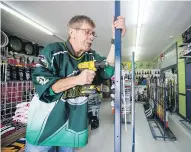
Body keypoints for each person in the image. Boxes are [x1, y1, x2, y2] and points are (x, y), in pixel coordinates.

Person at [25, 15, 126, 152]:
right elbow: (45, 89)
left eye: (93, 34)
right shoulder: (52, 51)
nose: (91, 37)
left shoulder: (90, 56)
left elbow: (107, 68)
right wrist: (77, 79)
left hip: (71, 128)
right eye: (87, 32)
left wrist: (116, 40)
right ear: (72, 32)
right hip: (43, 128)